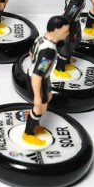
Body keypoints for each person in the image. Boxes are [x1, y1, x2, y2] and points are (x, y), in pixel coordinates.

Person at [23, 15, 71, 146]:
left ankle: (35, 124)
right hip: (37, 80)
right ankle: (28, 133)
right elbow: (37, 75)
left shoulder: (41, 38)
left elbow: (31, 53)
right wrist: (37, 96)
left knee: (48, 97)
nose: (67, 33)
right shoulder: (49, 51)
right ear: (56, 30)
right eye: (65, 31)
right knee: (40, 106)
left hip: (43, 78)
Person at [54, 0, 94, 79]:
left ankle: (67, 59)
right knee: (69, 44)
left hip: (75, 21)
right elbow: (69, 14)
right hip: (70, 23)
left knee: (77, 40)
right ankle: (59, 68)